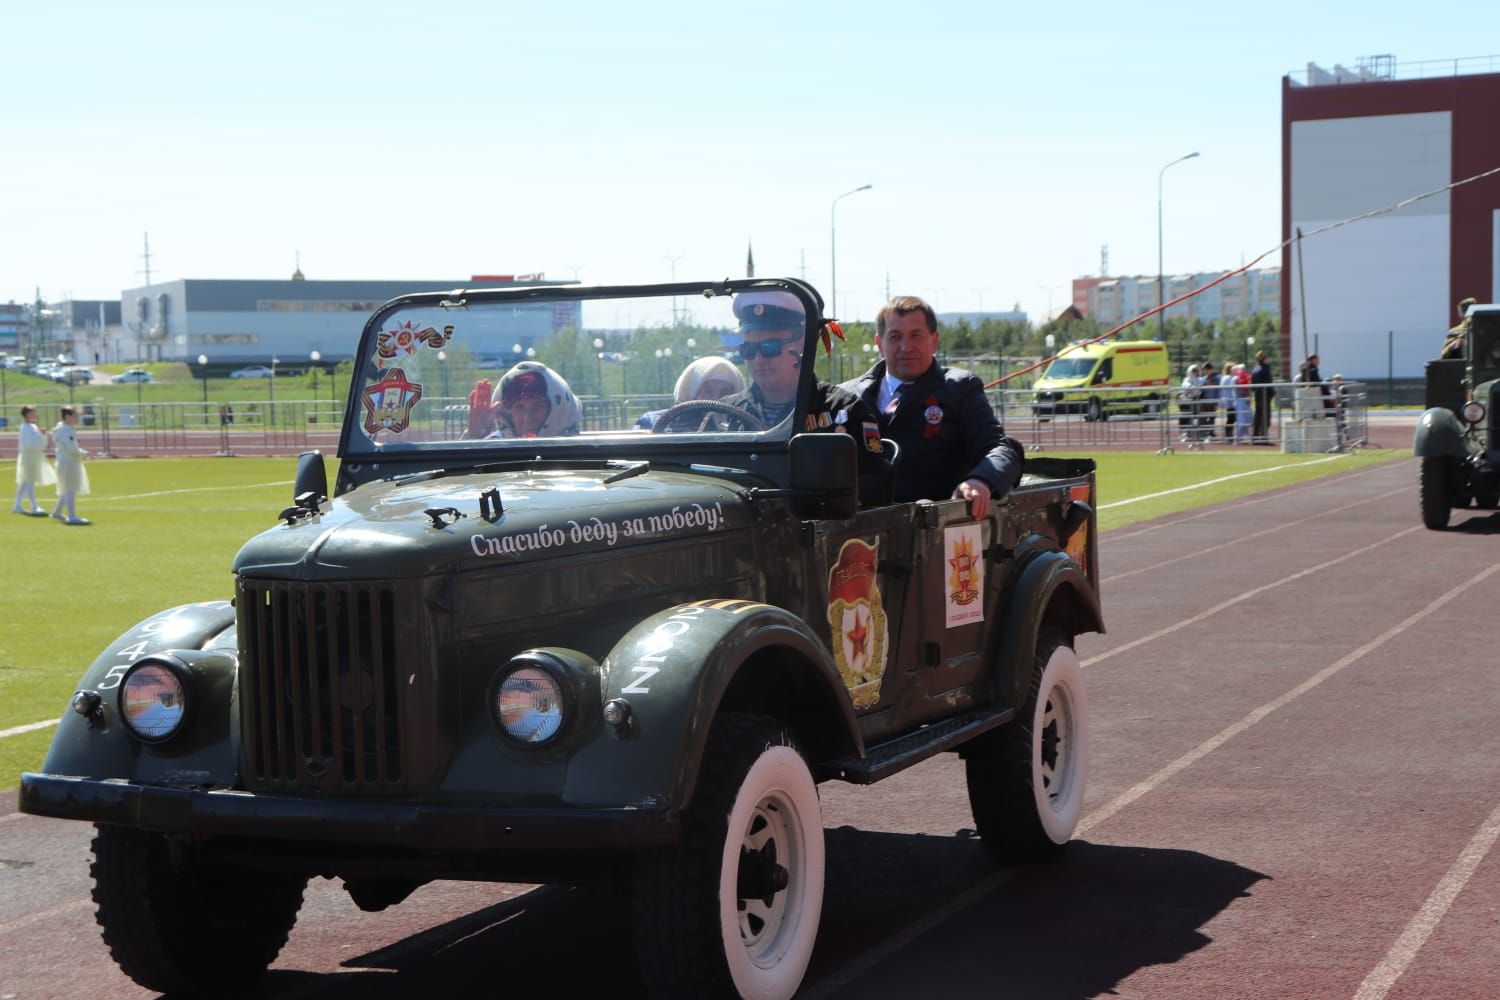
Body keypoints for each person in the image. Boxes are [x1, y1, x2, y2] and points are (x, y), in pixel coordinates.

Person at [840, 295, 1022, 518]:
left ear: (934, 340)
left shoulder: (960, 388)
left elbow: (1000, 449)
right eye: (895, 337)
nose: (906, 347)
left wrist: (980, 481)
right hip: (859, 529)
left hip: (937, 528)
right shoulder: (847, 396)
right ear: (880, 343)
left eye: (916, 335)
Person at [721, 290, 890, 506]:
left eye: (770, 348)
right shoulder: (725, 414)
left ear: (802, 345)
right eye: (748, 349)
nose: (758, 359)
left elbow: (874, 489)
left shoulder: (845, 411)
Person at [635, 356, 745, 429]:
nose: (716, 398)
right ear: (690, 392)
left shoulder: (744, 428)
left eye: (725, 392)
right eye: (707, 390)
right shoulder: (652, 423)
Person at [486, 362, 582, 438]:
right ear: (508, 413)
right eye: (519, 407)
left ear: (560, 411)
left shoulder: (582, 453)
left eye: (538, 407)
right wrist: (475, 436)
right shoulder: (494, 447)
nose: (528, 417)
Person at [50, 405, 90, 525]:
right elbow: (71, 448)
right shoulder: (65, 430)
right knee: (70, 489)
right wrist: (83, 452)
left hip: (66, 461)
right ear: (67, 416)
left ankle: (57, 512)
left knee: (66, 489)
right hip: (68, 462)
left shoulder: (64, 428)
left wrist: (80, 452)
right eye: (75, 415)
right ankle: (72, 516)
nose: (77, 418)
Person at [13, 405, 55, 516]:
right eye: (33, 412)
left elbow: (41, 443)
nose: (35, 414)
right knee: (29, 481)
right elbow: (29, 444)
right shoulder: (25, 427)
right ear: (27, 414)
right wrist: (40, 434)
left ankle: (17, 505)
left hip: (34, 456)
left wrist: (43, 434)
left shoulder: (33, 426)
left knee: (26, 482)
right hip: (29, 457)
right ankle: (34, 506)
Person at [1250, 350, 1276, 444]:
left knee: (1257, 417)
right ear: (1264, 358)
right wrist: (1273, 393)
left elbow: (1252, 385)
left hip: (1257, 396)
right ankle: (1264, 439)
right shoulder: (1265, 369)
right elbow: (1269, 383)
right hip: (1265, 397)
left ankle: (1255, 438)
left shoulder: (1255, 369)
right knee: (1265, 418)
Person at [1179, 364, 1204, 442]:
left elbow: (1201, 387)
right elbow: (1186, 386)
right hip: (1187, 402)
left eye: (1196, 371)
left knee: (1197, 419)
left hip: (1197, 401)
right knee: (1187, 419)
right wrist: (1191, 387)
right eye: (1193, 371)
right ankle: (1186, 435)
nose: (1195, 372)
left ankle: (1199, 435)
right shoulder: (1187, 379)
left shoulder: (1199, 379)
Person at [1197, 361, 1219, 440]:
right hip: (1204, 401)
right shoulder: (1204, 378)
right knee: (1202, 418)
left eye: (1205, 370)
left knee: (1211, 418)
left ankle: (1210, 433)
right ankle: (1204, 433)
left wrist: (1216, 403)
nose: (1205, 372)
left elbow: (1218, 391)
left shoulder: (1217, 378)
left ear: (1210, 369)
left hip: (1212, 402)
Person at [1232, 364, 1252, 445]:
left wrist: (1248, 396)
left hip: (1245, 400)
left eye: (1244, 369)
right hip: (1239, 400)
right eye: (1242, 369)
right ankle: (1237, 438)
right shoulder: (1236, 378)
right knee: (1241, 420)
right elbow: (1240, 389)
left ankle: (1249, 436)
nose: (1243, 370)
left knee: (1248, 419)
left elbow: (1248, 389)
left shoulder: (1245, 377)